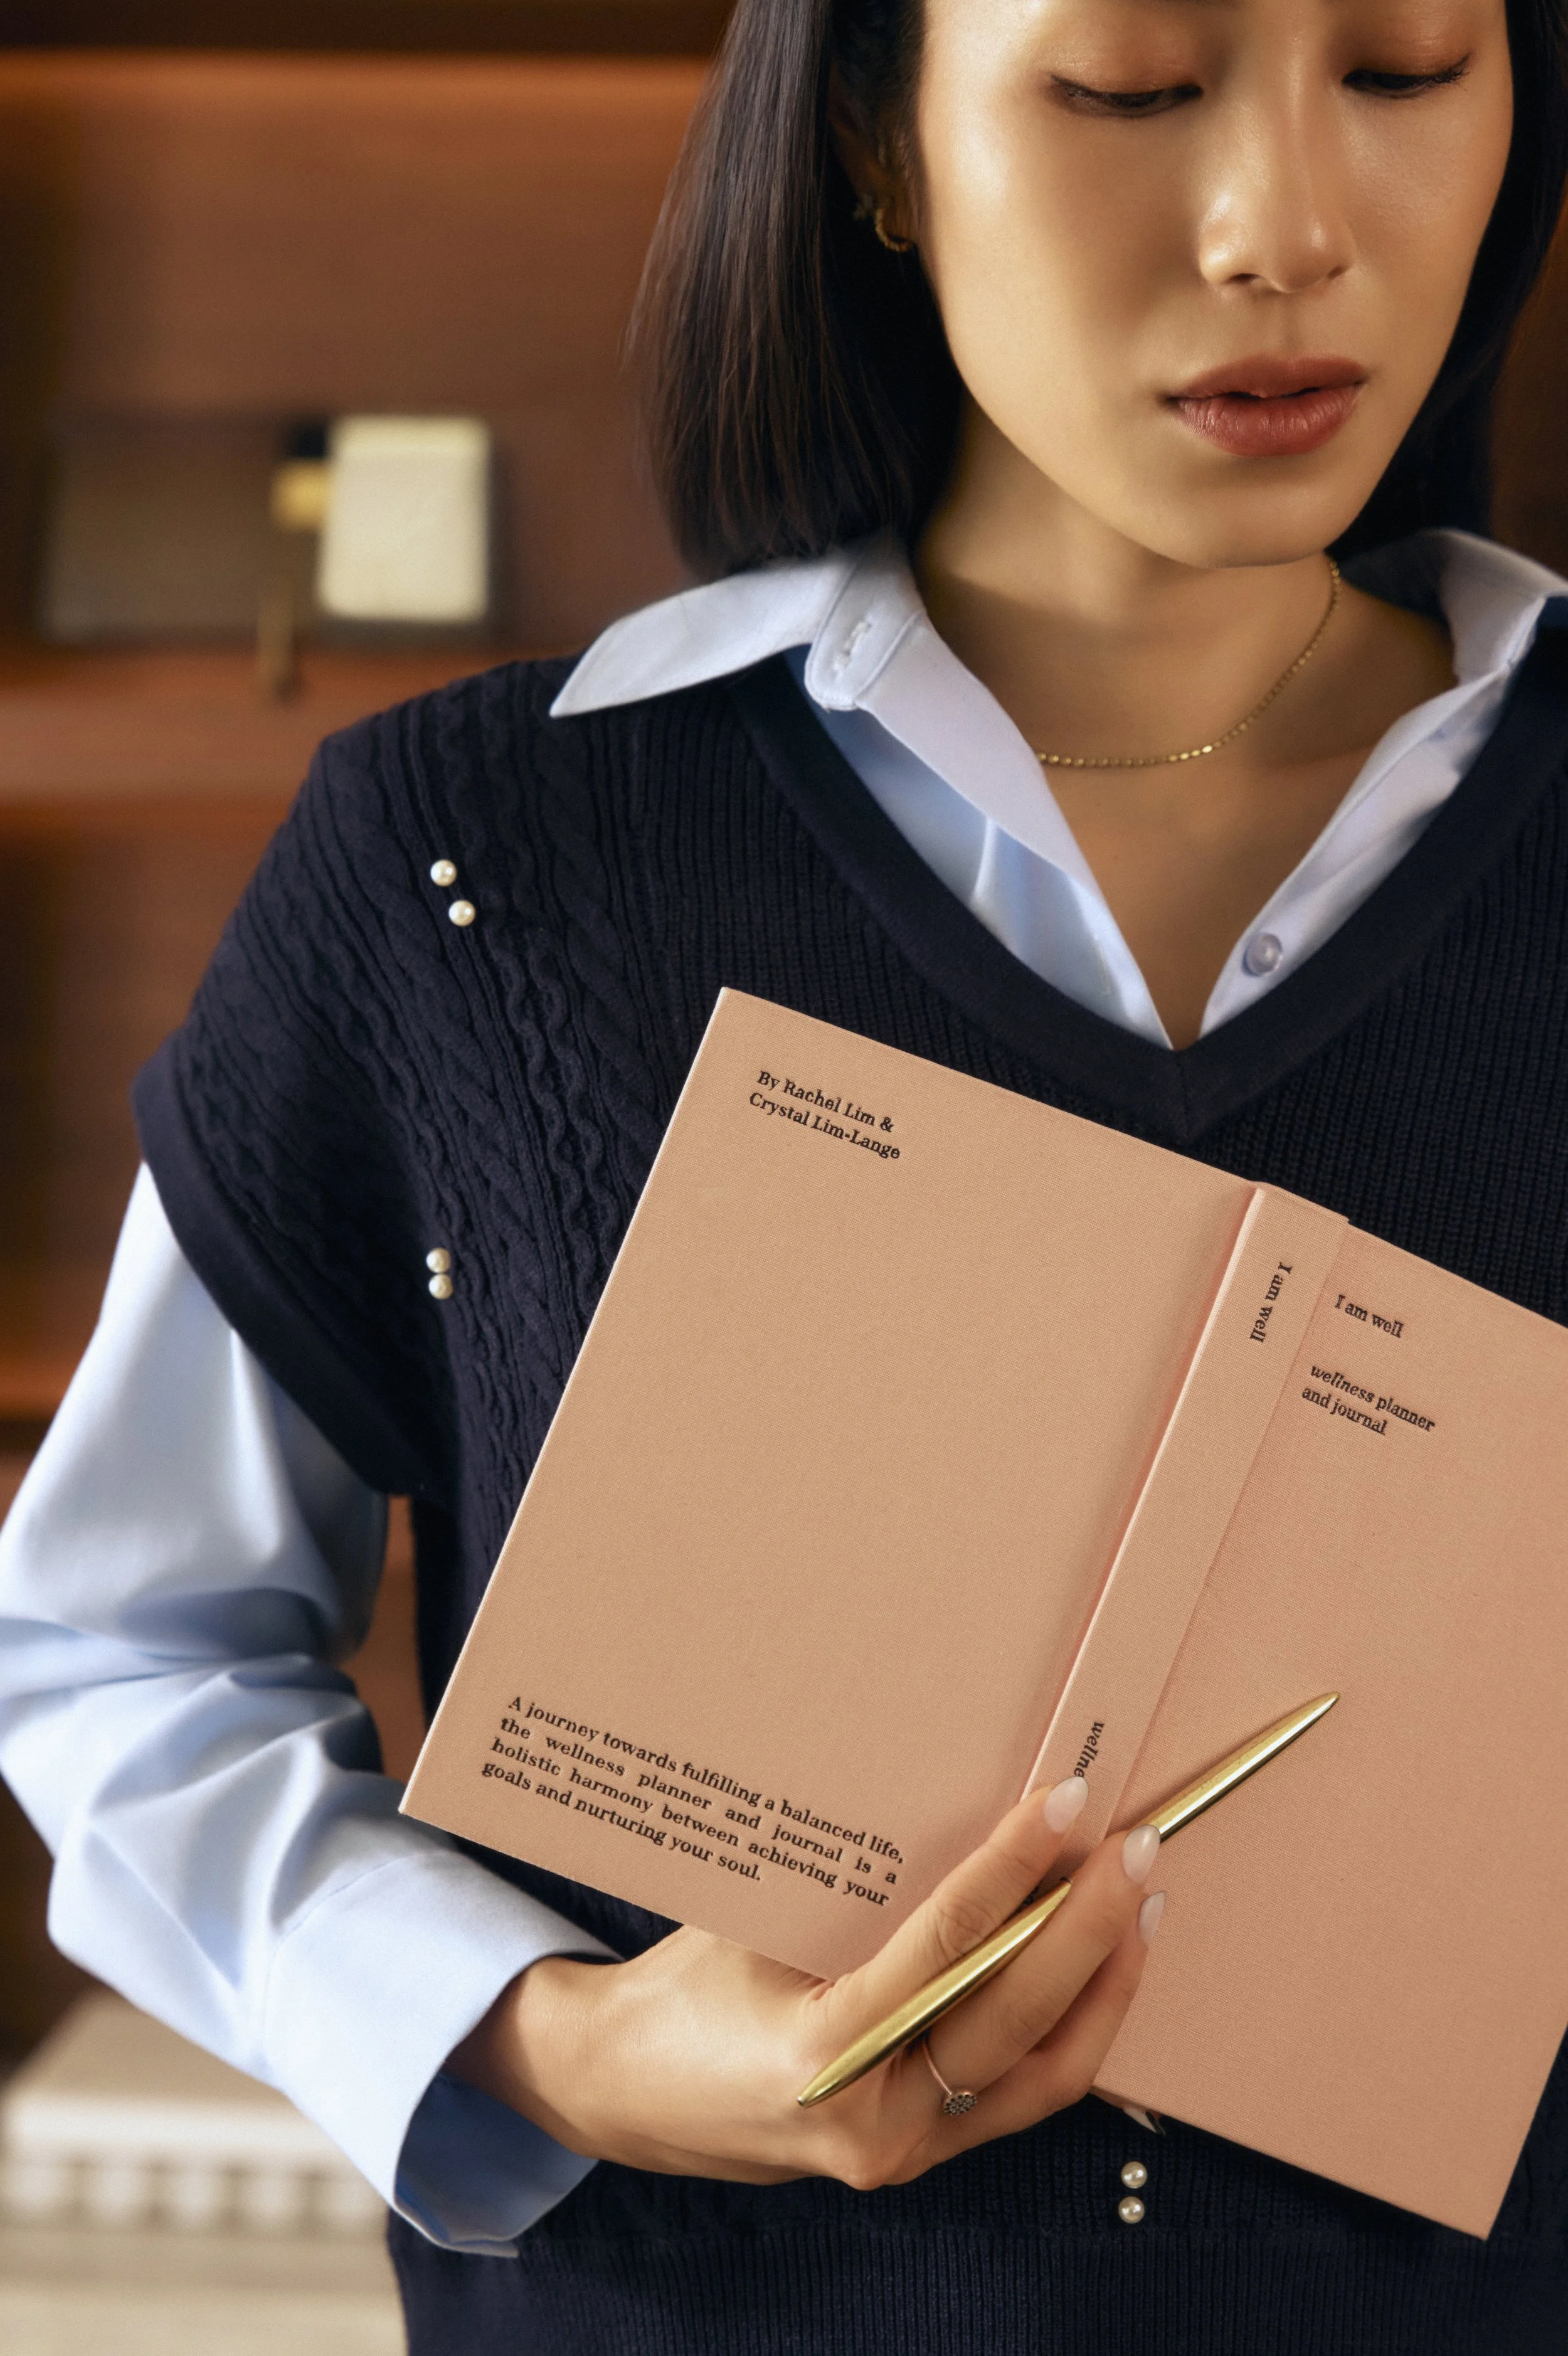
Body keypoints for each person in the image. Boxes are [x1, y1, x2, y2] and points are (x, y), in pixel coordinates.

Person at [3, 0, 1567, 2346]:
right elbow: (122, 1649)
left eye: (1410, 67)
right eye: (1132, 87)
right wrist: (575, 2042)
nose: (1285, 229)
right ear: (876, 141)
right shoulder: (464, 869)